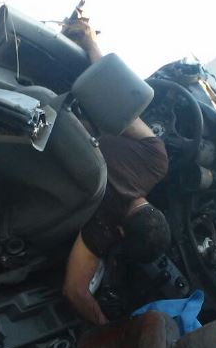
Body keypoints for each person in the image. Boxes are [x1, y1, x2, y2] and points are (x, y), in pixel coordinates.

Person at [59, 17, 171, 325]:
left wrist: (90, 41)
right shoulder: (104, 228)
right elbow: (74, 291)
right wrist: (108, 328)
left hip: (62, 102)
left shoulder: (155, 161)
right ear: (122, 233)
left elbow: (116, 99)